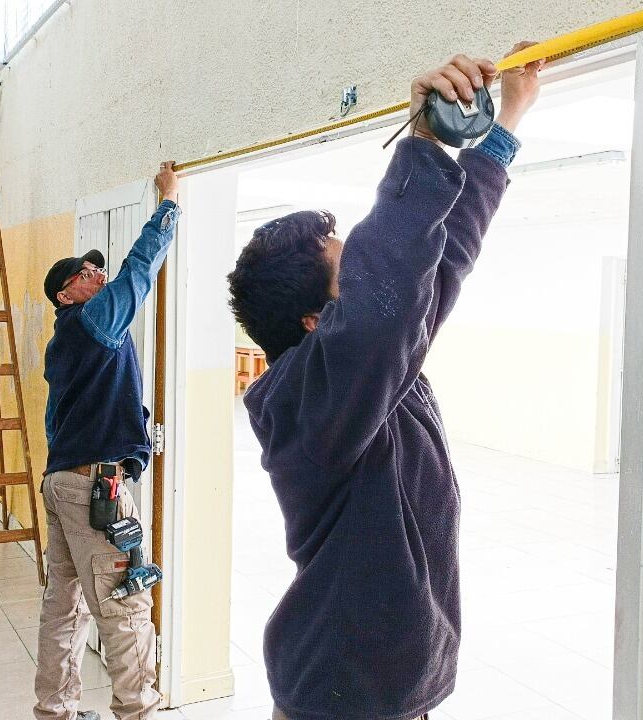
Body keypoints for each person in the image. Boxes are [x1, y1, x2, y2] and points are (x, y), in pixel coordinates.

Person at [227, 45, 544, 720]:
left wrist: (508, 120)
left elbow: (440, 259)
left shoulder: (369, 373)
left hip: (381, 688)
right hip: (340, 696)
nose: (377, 289)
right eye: (353, 279)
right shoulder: (308, 405)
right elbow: (389, 295)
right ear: (317, 321)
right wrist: (424, 142)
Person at [33, 161, 180, 720]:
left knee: (63, 608)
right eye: (84, 274)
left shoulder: (66, 340)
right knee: (124, 608)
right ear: (66, 296)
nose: (96, 275)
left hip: (63, 482)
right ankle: (138, 710)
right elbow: (138, 273)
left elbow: (60, 417)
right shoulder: (93, 321)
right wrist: (167, 205)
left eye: (96, 270)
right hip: (95, 488)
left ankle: (55, 711)